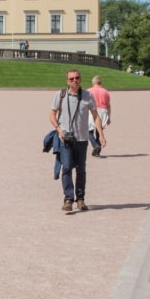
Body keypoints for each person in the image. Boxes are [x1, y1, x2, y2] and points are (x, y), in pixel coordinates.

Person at [49, 70, 106, 213]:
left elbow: (95, 116)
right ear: (67, 81)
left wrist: (101, 134)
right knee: (67, 168)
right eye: (72, 78)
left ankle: (80, 199)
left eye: (77, 78)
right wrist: (58, 129)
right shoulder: (60, 95)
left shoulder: (88, 96)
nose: (75, 80)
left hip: (81, 139)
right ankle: (68, 199)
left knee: (81, 169)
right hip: (65, 138)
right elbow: (51, 114)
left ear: (80, 79)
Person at [86, 75, 111, 156]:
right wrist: (109, 117)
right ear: (100, 82)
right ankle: (97, 150)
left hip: (92, 111)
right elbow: (108, 105)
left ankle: (95, 145)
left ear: (93, 82)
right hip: (103, 111)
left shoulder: (89, 91)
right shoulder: (105, 92)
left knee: (88, 131)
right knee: (99, 132)